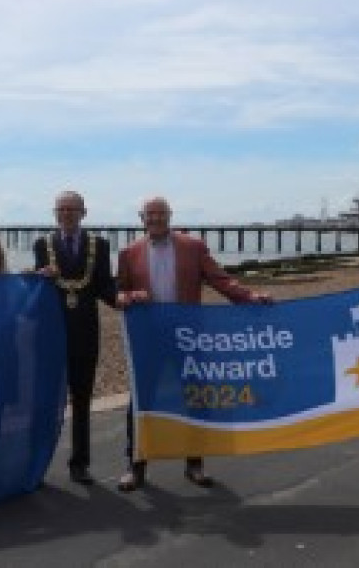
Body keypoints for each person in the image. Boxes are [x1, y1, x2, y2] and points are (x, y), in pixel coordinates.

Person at [116, 196, 272, 492]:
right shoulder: (128, 253)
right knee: (140, 401)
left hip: (189, 337)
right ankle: (135, 467)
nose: (156, 220)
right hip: (148, 338)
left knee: (195, 398)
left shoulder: (193, 247)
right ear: (141, 218)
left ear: (170, 216)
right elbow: (119, 291)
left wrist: (249, 297)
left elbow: (221, 280)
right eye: (150, 215)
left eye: (161, 214)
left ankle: (195, 464)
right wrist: (126, 297)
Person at [33, 190, 116, 485]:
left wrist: (125, 301)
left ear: (83, 212)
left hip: (85, 333)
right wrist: (36, 275)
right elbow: (36, 288)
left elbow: (105, 286)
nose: (67, 213)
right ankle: (36, 464)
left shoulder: (100, 245)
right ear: (55, 213)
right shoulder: (42, 245)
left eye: (72, 209)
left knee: (82, 402)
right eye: (62, 209)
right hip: (52, 333)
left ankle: (79, 463)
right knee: (45, 401)